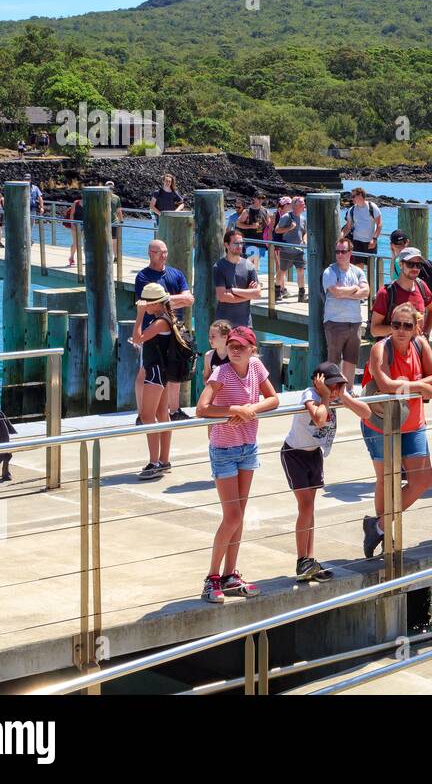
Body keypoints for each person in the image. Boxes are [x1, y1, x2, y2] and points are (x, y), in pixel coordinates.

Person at [196, 325, 278, 604]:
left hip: (248, 447)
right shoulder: (221, 372)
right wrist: (234, 409)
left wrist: (251, 409)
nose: (235, 349)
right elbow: (202, 409)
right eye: (232, 344)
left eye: (241, 346)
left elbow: (274, 398)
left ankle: (230, 574)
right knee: (231, 516)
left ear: (252, 349)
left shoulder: (256, 367)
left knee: (240, 515)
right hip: (223, 449)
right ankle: (212, 577)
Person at [359, 303, 432, 558]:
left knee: (422, 481)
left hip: (413, 423)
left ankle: (379, 526)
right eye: (396, 325)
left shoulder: (421, 345)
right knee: (387, 479)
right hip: (380, 423)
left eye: (407, 325)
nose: (401, 331)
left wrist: (407, 385)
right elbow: (384, 383)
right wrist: (419, 385)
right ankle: (387, 541)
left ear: (416, 327)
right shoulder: (380, 349)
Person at [283, 363, 371, 581]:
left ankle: (309, 561)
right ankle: (302, 561)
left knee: (310, 508)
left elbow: (366, 413)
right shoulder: (310, 394)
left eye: (338, 385)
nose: (335, 390)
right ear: (318, 381)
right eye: (331, 385)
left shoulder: (335, 395)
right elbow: (319, 418)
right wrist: (324, 395)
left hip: (314, 454)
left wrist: (345, 397)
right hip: (294, 454)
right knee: (305, 506)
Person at [131, 283, 193, 480]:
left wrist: (140, 315)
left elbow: (137, 338)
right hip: (162, 371)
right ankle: (164, 460)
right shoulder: (166, 318)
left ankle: (154, 462)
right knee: (161, 415)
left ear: (155, 304)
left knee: (147, 416)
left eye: (146, 304)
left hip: (156, 372)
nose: (144, 306)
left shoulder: (160, 322)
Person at [134, 238, 195, 424]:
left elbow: (190, 299)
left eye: (165, 251)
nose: (164, 256)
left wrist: (163, 300)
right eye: (159, 252)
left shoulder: (176, 274)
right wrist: (172, 300)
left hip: (175, 329)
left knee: (173, 368)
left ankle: (174, 410)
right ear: (150, 254)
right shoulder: (143, 276)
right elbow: (145, 303)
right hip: (152, 329)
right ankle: (141, 412)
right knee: (145, 370)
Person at [322, 239, 369, 384]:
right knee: (333, 361)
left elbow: (366, 292)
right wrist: (355, 289)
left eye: (343, 251)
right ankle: (333, 391)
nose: (340, 255)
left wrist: (346, 292)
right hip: (335, 322)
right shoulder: (329, 271)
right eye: (337, 252)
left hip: (354, 322)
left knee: (351, 359)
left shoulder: (358, 271)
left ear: (350, 253)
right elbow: (335, 292)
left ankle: (347, 390)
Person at [214, 229, 262, 328]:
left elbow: (257, 294)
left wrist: (233, 290)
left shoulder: (249, 265)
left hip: (245, 324)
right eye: (236, 243)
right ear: (226, 245)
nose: (240, 246)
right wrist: (248, 294)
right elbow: (222, 297)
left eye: (241, 243)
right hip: (224, 326)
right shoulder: (219, 267)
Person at [273, 196, 307, 302]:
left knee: (300, 271)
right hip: (286, 250)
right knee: (282, 271)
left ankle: (301, 294)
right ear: (295, 205)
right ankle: (277, 291)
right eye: (302, 203)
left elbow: (304, 232)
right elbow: (277, 230)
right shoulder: (287, 217)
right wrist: (290, 228)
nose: (304, 205)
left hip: (299, 250)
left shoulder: (303, 219)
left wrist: (304, 240)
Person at [341, 187, 382, 269]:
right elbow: (348, 227)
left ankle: (368, 282)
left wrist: (374, 239)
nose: (351, 198)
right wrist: (340, 237)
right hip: (357, 242)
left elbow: (379, 224)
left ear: (360, 195)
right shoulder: (352, 210)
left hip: (370, 242)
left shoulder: (372, 207)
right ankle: (359, 282)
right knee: (358, 268)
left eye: (353, 196)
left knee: (370, 268)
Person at [237, 192, 268, 267]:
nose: (261, 200)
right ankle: (250, 278)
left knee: (255, 264)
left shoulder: (265, 210)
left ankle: (252, 277)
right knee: (251, 263)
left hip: (261, 241)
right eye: (259, 198)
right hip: (251, 241)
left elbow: (268, 223)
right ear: (254, 198)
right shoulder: (247, 211)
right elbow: (238, 224)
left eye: (262, 198)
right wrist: (251, 226)